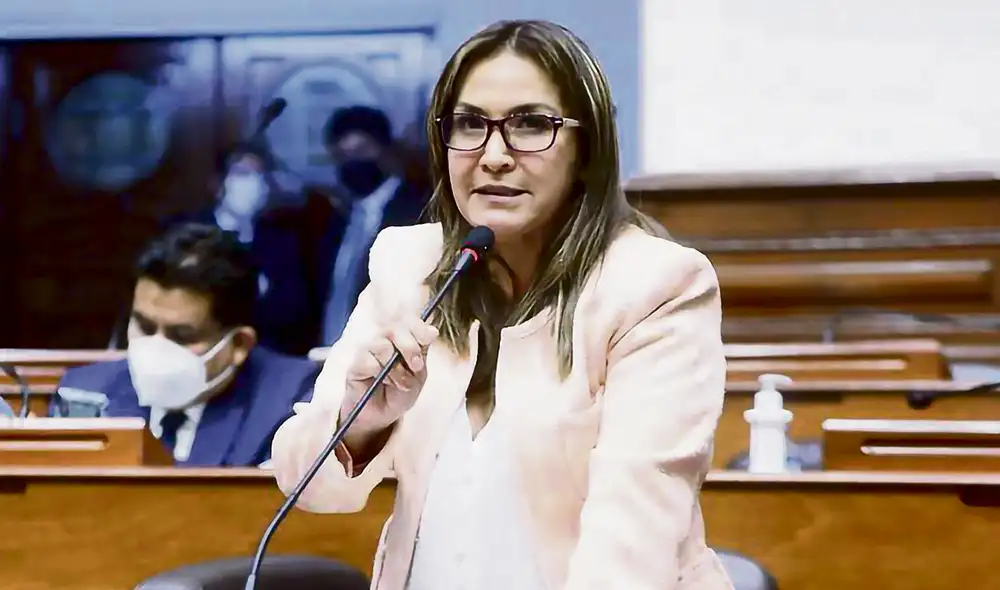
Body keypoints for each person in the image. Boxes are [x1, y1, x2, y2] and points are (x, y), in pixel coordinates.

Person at [270, 19, 733, 590]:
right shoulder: (408, 264)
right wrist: (360, 421)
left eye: (531, 125)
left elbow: (632, 533)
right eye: (468, 125)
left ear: (586, 147)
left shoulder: (655, 285)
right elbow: (306, 485)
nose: (492, 156)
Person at [57, 223, 320, 466]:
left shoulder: (289, 404)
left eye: (181, 336)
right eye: (145, 328)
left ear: (239, 344)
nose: (156, 348)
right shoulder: (84, 395)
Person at [165, 141, 317, 356]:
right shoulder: (188, 235)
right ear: (218, 184)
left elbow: (295, 313)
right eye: (243, 174)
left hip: (264, 360)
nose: (253, 184)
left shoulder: (281, 242)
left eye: (261, 176)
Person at [312, 105, 428, 346]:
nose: (353, 161)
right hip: (327, 357)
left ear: (386, 151)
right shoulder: (336, 218)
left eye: (362, 150)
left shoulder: (417, 213)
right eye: (343, 154)